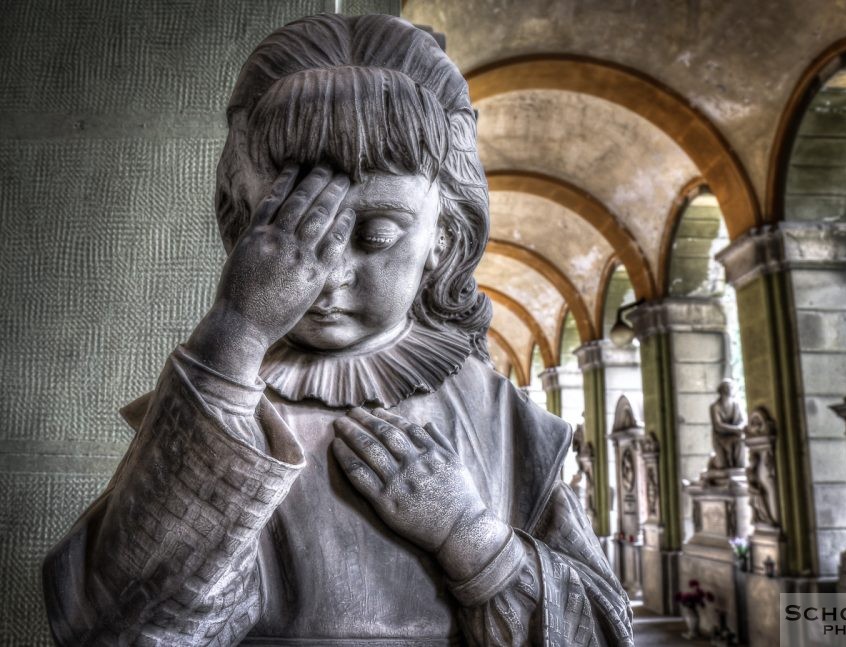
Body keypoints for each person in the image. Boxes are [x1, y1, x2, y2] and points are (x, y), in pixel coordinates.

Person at [42, 14, 633, 646]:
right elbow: (115, 629)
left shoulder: (501, 418)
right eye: (294, 231)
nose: (328, 274)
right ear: (246, 220)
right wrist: (237, 332)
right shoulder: (222, 412)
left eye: (376, 234)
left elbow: (601, 630)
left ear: (446, 234)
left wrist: (470, 536)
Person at [707, 379, 745, 471]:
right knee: (722, 466)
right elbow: (718, 426)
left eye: (731, 387)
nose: (730, 389)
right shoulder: (715, 407)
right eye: (727, 387)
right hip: (720, 438)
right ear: (722, 390)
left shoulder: (736, 405)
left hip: (735, 436)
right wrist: (736, 429)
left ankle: (739, 467)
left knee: (741, 442)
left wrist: (740, 428)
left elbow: (743, 420)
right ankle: (713, 461)